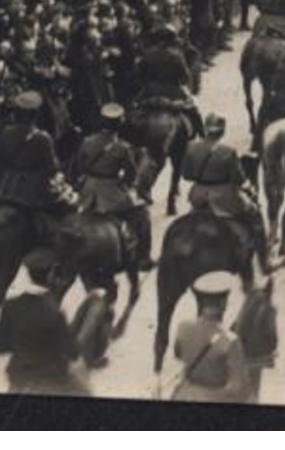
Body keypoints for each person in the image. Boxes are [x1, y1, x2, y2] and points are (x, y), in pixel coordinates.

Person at [180, 114, 271, 275]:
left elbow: (186, 175)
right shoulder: (228, 152)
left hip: (198, 195)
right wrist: (251, 190)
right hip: (224, 198)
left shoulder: (190, 147)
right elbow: (239, 179)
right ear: (222, 132)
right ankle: (264, 262)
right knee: (255, 215)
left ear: (206, 129)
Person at [73, 104, 154, 271]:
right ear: (119, 124)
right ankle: (143, 259)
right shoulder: (122, 147)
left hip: (88, 190)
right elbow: (130, 175)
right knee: (142, 214)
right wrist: (124, 185)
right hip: (110, 191)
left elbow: (79, 166)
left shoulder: (87, 141)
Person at [0, 248, 85, 396]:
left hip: (19, 373)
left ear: (29, 275)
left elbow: (0, 346)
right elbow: (72, 352)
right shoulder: (55, 311)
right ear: (50, 275)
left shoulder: (9, 305)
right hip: (51, 377)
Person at [0, 91, 70, 243]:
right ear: (36, 114)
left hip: (7, 187)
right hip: (33, 192)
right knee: (62, 212)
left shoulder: (6, 133)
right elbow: (52, 167)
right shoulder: (43, 138)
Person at [171, 270, 254, 403]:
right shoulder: (230, 341)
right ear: (223, 303)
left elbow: (178, 354)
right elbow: (237, 388)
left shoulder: (183, 327)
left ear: (202, 301)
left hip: (186, 395)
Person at [132, 26, 202, 138]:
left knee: (134, 110)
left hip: (150, 91)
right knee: (193, 109)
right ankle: (201, 132)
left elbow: (139, 75)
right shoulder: (177, 55)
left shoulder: (147, 54)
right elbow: (185, 77)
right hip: (173, 91)